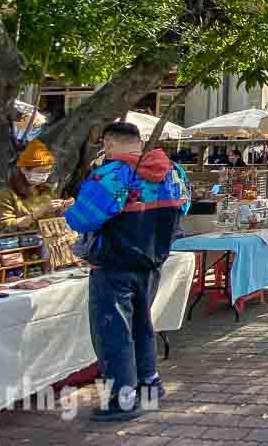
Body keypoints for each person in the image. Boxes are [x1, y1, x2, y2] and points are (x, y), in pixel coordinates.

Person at [64, 122, 190, 421]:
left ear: (108, 144)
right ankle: (149, 383)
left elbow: (82, 219)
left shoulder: (112, 175)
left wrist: (68, 210)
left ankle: (123, 398)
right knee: (142, 324)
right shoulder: (173, 171)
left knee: (114, 332)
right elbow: (183, 209)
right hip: (152, 262)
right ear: (138, 141)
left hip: (114, 264)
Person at [0, 139, 71, 232]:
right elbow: (4, 228)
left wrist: (60, 210)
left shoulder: (47, 191)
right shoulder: (5, 195)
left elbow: (51, 221)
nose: (44, 176)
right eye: (40, 172)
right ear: (24, 169)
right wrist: (38, 213)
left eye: (48, 172)